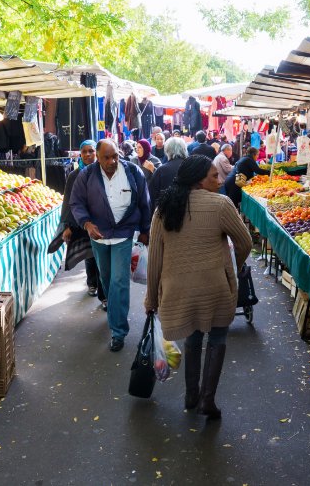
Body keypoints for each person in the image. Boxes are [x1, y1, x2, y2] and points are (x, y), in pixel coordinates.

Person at [145, 155, 252, 419]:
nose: (220, 180)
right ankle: (207, 400)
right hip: (215, 288)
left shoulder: (164, 209)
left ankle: (191, 395)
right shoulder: (221, 205)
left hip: (177, 290)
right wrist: (232, 268)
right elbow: (245, 243)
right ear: (198, 180)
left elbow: (154, 258)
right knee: (217, 338)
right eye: (214, 176)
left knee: (192, 337)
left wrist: (151, 298)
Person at [70, 139, 151, 352]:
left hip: (123, 235)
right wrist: (86, 223)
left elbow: (144, 200)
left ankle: (118, 331)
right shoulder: (86, 175)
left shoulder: (133, 171)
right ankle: (114, 311)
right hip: (98, 237)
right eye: (106, 157)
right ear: (97, 156)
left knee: (119, 281)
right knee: (106, 279)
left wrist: (145, 230)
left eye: (115, 155)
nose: (112, 160)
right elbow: (76, 202)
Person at [61, 140, 107, 308]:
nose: (88, 155)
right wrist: (67, 226)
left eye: (91, 151)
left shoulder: (104, 171)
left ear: (96, 153)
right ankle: (92, 283)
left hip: (101, 223)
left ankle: (104, 296)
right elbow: (68, 201)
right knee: (90, 255)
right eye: (84, 152)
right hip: (81, 222)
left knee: (101, 259)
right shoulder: (74, 176)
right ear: (80, 154)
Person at [148, 137, 188, 214]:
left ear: (167, 151)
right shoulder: (192, 167)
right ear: (184, 149)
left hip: (167, 214)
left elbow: (152, 196)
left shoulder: (162, 170)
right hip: (190, 212)